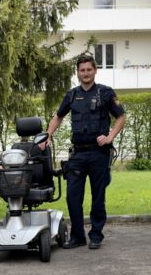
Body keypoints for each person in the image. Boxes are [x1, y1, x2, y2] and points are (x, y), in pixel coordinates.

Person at [40, 54, 125, 250]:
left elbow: (121, 117)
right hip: (77, 154)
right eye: (82, 70)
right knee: (72, 196)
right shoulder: (71, 95)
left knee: (98, 197)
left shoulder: (106, 93)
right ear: (78, 73)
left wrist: (110, 137)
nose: (85, 73)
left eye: (88, 69)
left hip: (99, 154)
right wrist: (48, 135)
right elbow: (58, 116)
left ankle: (96, 235)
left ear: (95, 70)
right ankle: (78, 236)